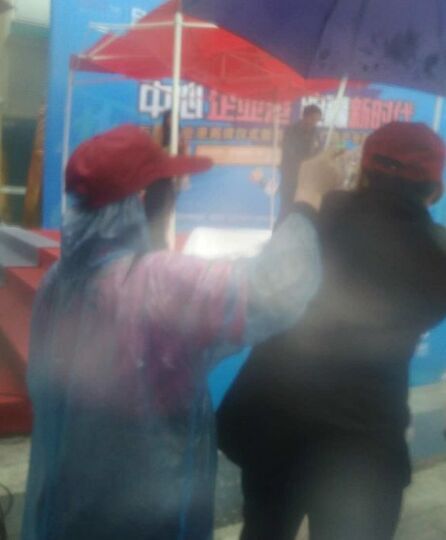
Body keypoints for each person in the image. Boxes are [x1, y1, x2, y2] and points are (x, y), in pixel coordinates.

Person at [21, 124, 326, 540]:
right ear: (145, 199)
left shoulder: (59, 280)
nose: (179, 191)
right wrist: (308, 197)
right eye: (172, 186)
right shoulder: (159, 283)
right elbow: (276, 288)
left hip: (72, 506)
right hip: (146, 513)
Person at [217, 122, 446, 540]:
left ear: (364, 170)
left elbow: (276, 281)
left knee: (264, 530)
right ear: (434, 186)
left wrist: (310, 189)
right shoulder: (438, 250)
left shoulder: (317, 214)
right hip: (365, 450)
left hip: (274, 429)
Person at [279, 104, 322, 221]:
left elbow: (319, 150)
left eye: (317, 120)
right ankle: (280, 230)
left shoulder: (315, 132)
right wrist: (307, 161)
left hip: (306, 179)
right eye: (313, 119)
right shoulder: (291, 131)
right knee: (286, 208)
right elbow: (291, 153)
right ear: (305, 117)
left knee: (300, 211)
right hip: (290, 177)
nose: (314, 123)